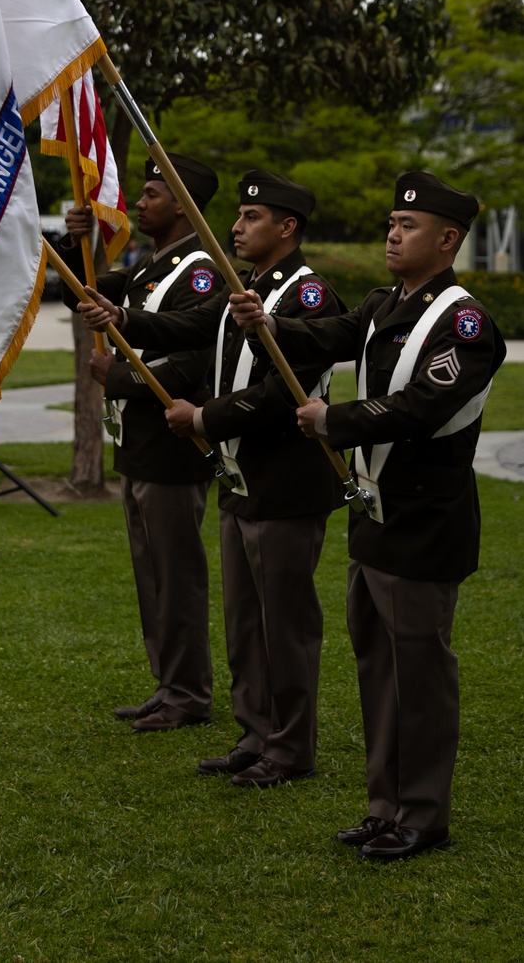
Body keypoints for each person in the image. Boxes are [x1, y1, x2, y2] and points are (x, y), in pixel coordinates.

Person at [231, 170, 505, 861]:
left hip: (424, 522)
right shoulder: (386, 303)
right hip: (374, 519)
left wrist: (334, 419)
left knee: (420, 674)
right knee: (377, 671)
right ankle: (385, 806)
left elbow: (421, 409)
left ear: (447, 239)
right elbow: (330, 334)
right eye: (390, 221)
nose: (392, 232)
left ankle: (426, 814)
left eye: (407, 226)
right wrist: (269, 324)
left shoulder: (465, 324)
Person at [80, 170, 345, 787]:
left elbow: (284, 393)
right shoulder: (241, 290)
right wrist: (122, 316)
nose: (236, 227)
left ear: (288, 227)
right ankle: (255, 734)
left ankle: (290, 745)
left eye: (253, 218)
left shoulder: (307, 296)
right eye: (240, 216)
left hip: (285, 477)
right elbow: (187, 329)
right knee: (244, 619)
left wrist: (204, 417)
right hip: (241, 476)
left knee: (284, 623)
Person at [62, 155, 223, 733]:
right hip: (139, 443)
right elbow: (78, 292)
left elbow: (189, 364)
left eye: (152, 192)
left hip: (173, 445)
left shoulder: (202, 272)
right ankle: (169, 682)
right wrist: (74, 239)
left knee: (176, 575)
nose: (140, 201)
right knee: (150, 573)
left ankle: (189, 692)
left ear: (182, 204)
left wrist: (117, 377)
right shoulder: (150, 267)